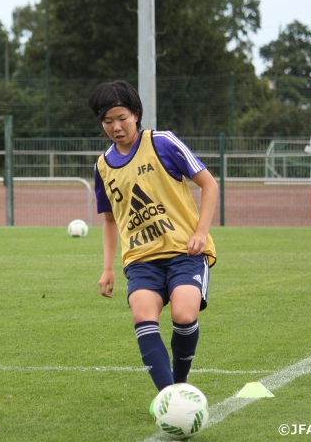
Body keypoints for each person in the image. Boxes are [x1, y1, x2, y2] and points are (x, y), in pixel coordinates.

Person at [89, 80, 217, 409]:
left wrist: (201, 232)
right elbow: (109, 220)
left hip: (184, 253)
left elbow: (209, 184)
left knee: (184, 314)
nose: (116, 127)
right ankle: (171, 400)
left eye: (122, 118)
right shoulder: (102, 166)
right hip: (141, 261)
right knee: (142, 316)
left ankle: (179, 384)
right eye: (107, 121)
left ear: (136, 114)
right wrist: (107, 268)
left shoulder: (162, 142)